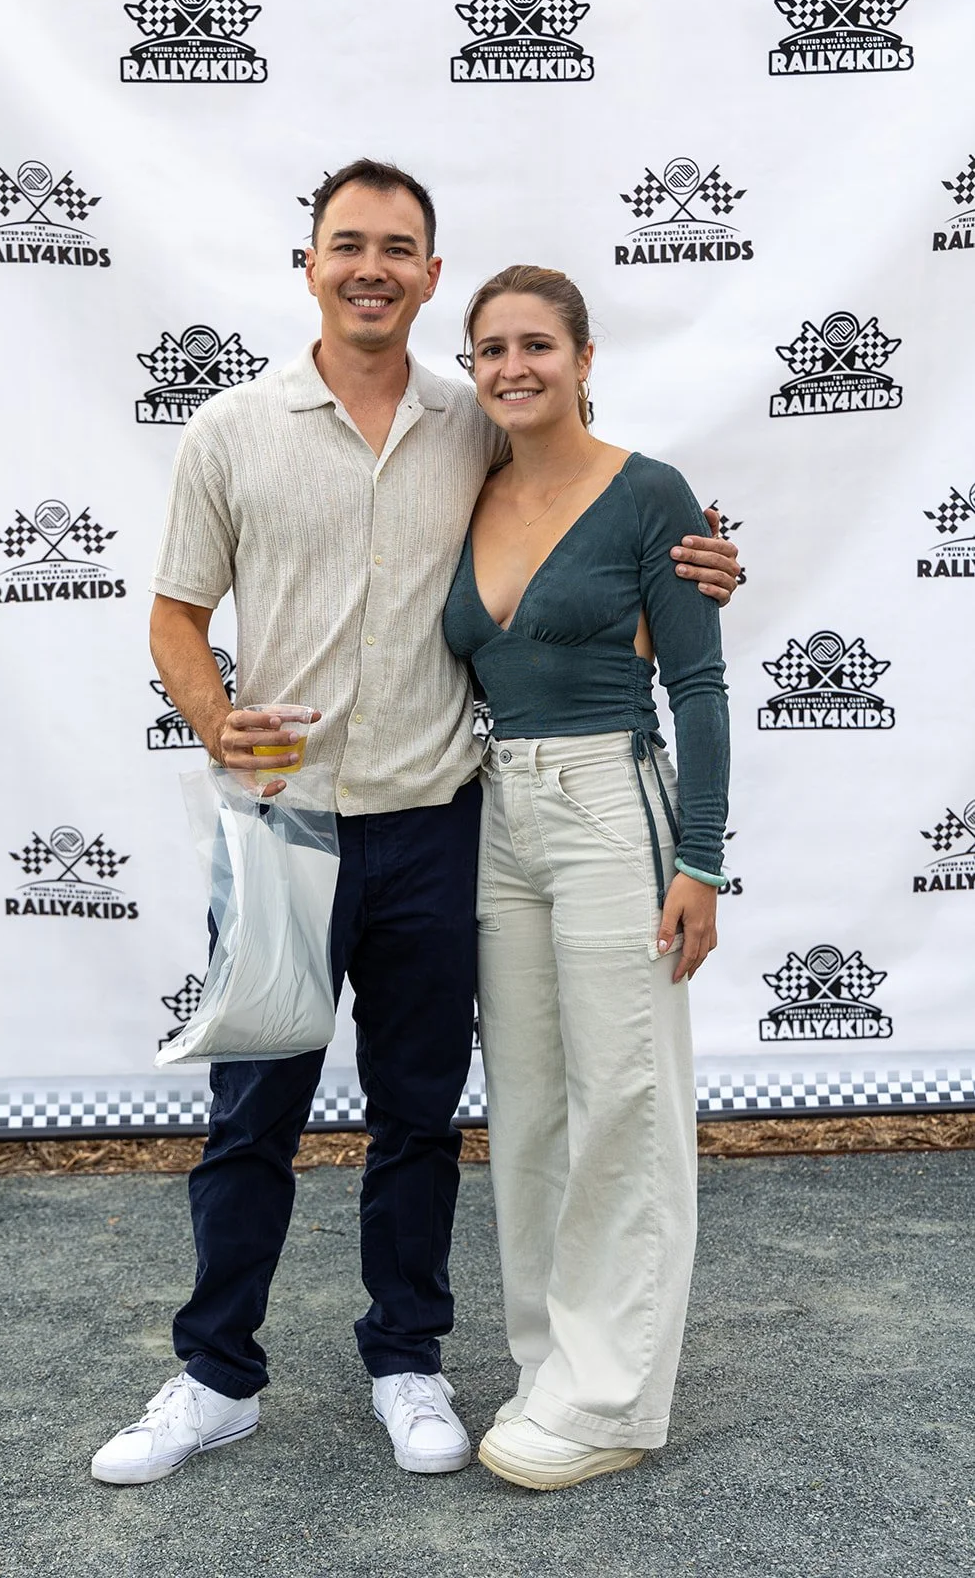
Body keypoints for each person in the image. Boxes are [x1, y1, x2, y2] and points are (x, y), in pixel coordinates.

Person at [90, 161, 740, 1487]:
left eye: (398, 247)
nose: (370, 265)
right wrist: (214, 717)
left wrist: (703, 558)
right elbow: (172, 613)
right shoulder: (228, 428)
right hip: (282, 834)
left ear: (429, 276)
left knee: (415, 1117)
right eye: (347, 245)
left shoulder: (471, 424)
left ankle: (407, 1357)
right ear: (311, 264)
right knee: (252, 1116)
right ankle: (215, 1377)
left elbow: (598, 511)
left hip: (442, 825)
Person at [442, 264, 729, 1491]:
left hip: (614, 806)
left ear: (583, 355)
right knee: (533, 1105)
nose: (512, 367)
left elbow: (699, 686)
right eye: (489, 349)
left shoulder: (646, 493)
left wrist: (700, 858)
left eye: (536, 346)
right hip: (498, 811)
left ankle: (615, 1401)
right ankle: (549, 1365)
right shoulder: (469, 489)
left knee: (624, 1100)